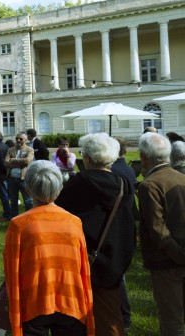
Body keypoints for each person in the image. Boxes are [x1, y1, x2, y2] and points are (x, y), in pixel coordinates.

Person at [56, 133, 136, 336]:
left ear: (89, 158)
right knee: (109, 319)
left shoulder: (80, 182)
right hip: (113, 259)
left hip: (82, 260)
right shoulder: (122, 183)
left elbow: (60, 217)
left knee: (76, 319)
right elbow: (129, 222)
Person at [3, 160, 94, 336]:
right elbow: (83, 268)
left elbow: (12, 269)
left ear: (28, 189)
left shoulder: (19, 224)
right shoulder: (74, 222)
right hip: (71, 300)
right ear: (59, 188)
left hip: (34, 302)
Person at [138, 132, 185, 335]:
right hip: (176, 255)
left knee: (171, 319)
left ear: (143, 157)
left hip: (167, 260)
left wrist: (179, 256)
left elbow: (157, 229)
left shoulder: (149, 185)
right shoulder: (181, 178)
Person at [110, 136, 137, 329]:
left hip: (116, 228)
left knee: (118, 277)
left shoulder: (115, 170)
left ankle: (124, 317)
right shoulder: (125, 167)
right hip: (124, 226)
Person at [4, 132, 34, 218]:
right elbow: (6, 163)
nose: (18, 140)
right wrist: (20, 162)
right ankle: (14, 219)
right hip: (12, 179)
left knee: (28, 200)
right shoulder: (10, 150)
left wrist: (13, 160)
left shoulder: (29, 149)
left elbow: (28, 161)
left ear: (25, 139)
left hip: (23, 179)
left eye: (20, 139)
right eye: (17, 138)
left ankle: (29, 218)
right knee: (13, 201)